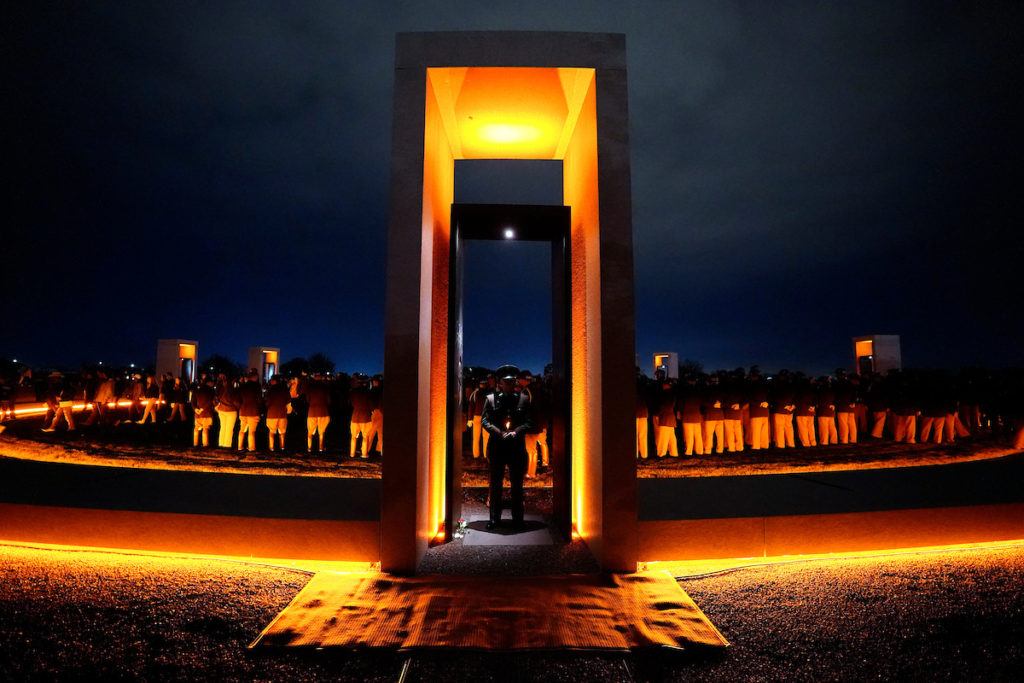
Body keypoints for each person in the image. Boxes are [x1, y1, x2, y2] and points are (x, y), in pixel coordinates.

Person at [481, 365, 533, 530]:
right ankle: (495, 519)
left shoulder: (523, 399)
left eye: (512, 381)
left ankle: (518, 519)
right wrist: (498, 432)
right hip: (497, 446)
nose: (509, 384)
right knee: (495, 484)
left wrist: (516, 432)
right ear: (500, 383)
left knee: (517, 485)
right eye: (506, 381)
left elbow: (529, 422)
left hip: (516, 447)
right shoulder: (490, 399)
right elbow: (484, 420)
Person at [301, 373, 331, 454]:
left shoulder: (310, 387)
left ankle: (309, 448)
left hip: (312, 412)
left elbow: (307, 399)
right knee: (321, 432)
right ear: (321, 378)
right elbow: (329, 400)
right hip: (323, 412)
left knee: (310, 432)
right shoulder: (325, 387)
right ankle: (321, 448)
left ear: (314, 378)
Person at [236, 370, 263, 452]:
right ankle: (251, 447)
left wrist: (240, 407)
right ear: (255, 377)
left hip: (243, 411)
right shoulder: (257, 386)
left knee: (242, 430)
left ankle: (240, 447)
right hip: (253, 411)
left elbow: (237, 400)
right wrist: (260, 409)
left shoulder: (242, 386)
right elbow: (259, 400)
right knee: (252, 431)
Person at [264, 374, 292, 452]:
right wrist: (288, 412)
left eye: (272, 380)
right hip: (282, 414)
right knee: (282, 432)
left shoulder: (270, 390)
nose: (270, 381)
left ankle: (271, 448)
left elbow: (267, 403)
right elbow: (289, 403)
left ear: (274, 381)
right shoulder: (285, 390)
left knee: (272, 432)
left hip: (272, 414)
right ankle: (282, 447)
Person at [349, 374, 374, 458]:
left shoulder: (353, 392)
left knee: (353, 437)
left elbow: (352, 403)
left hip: (355, 417)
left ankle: (352, 454)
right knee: (365, 436)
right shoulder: (368, 393)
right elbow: (371, 405)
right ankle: (364, 454)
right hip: (365, 417)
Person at [652, 379, 679, 457]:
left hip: (664, 418)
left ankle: (661, 454)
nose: (663, 386)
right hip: (671, 418)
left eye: (664, 384)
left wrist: (657, 414)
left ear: (666, 385)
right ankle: (674, 453)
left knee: (662, 438)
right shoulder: (673, 394)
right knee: (671, 438)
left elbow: (662, 406)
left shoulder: (664, 394)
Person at [467, 377, 490, 458]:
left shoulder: (474, 393)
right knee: (486, 437)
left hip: (476, 417)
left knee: (476, 437)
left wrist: (469, 419)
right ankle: (485, 455)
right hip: (485, 417)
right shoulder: (489, 393)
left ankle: (476, 455)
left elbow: (471, 406)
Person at [747, 372, 771, 450]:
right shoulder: (765, 386)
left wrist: (759, 404)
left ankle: (756, 446)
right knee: (764, 430)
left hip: (756, 412)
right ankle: (764, 445)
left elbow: (749, 399)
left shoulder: (751, 386)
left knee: (756, 430)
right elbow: (770, 396)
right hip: (765, 411)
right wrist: (767, 403)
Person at [215, 374, 240, 448]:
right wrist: (238, 407)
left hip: (222, 410)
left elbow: (216, 397)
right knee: (229, 429)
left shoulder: (220, 389)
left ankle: (221, 443)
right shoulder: (232, 390)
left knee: (222, 427)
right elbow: (236, 401)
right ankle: (227, 445)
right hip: (231, 411)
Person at [191, 376, 216, 447]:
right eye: (212, 382)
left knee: (196, 428)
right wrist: (203, 408)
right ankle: (205, 444)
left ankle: (195, 444)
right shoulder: (211, 391)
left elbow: (193, 401)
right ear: (209, 382)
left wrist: (195, 409)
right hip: (207, 413)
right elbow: (211, 401)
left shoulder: (196, 390)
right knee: (205, 428)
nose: (213, 384)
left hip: (197, 413)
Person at [365, 374, 384, 456]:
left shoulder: (373, 390)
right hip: (381, 412)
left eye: (374, 381)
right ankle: (381, 450)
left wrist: (372, 410)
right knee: (380, 432)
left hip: (376, 412)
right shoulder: (382, 390)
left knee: (371, 431)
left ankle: (366, 449)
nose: (374, 382)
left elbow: (370, 401)